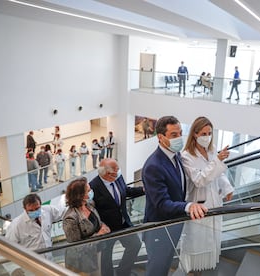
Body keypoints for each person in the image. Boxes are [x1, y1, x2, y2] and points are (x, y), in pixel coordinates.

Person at [142, 115, 208, 276]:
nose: (179, 138)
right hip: (158, 229)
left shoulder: (176, 155)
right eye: (173, 135)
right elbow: (162, 204)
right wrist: (188, 206)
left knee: (165, 265)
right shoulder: (153, 166)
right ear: (160, 137)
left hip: (172, 225)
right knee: (156, 269)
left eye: (180, 133)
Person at [179, 117, 234, 273]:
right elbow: (199, 180)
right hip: (198, 204)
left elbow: (219, 173)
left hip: (214, 201)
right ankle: (192, 269)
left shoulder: (211, 150)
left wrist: (227, 187)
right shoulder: (186, 156)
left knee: (212, 237)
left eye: (209, 133)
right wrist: (217, 160)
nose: (207, 136)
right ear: (195, 134)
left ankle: (206, 266)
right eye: (203, 133)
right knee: (197, 240)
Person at [89, 158, 145, 276]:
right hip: (106, 229)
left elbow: (126, 191)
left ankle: (122, 272)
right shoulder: (93, 186)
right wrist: (99, 227)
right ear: (107, 174)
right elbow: (91, 210)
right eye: (116, 169)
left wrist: (143, 190)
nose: (118, 171)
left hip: (123, 223)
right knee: (106, 259)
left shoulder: (118, 177)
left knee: (135, 244)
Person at [63, 177, 111, 274]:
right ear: (80, 195)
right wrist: (99, 235)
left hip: (96, 251)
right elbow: (77, 247)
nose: (91, 192)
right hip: (82, 261)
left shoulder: (89, 204)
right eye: (88, 190)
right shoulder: (70, 218)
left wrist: (103, 227)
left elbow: (97, 223)